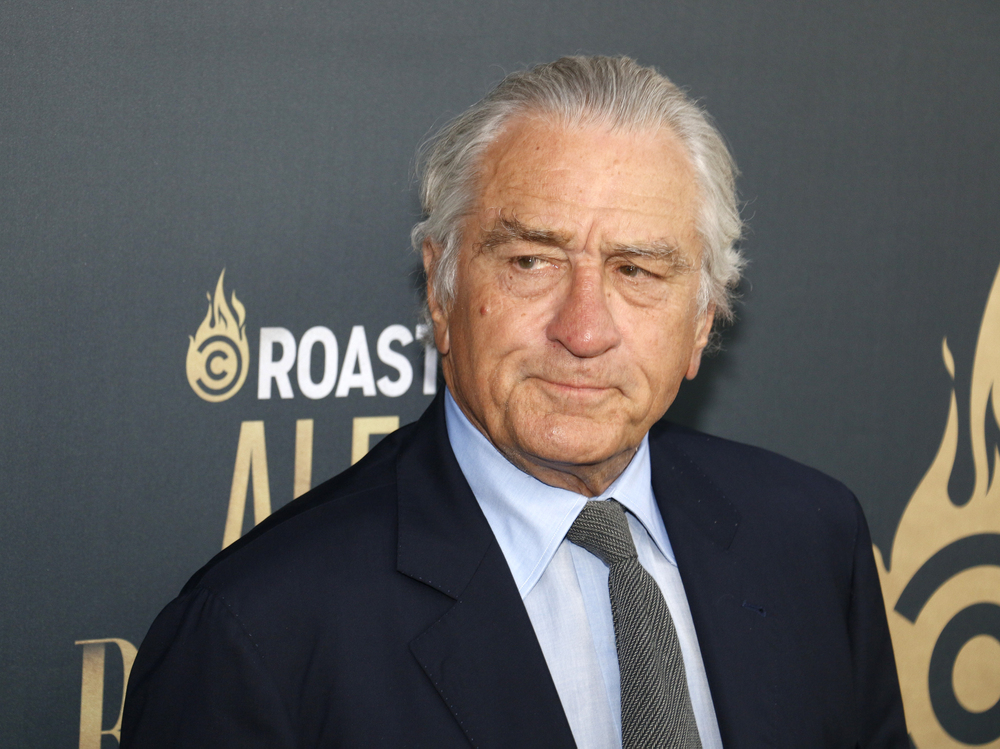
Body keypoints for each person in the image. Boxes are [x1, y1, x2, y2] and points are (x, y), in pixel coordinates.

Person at [121, 56, 907, 748]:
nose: (584, 329)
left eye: (637, 271)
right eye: (532, 260)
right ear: (441, 291)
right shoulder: (256, 632)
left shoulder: (812, 538)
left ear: (702, 320)